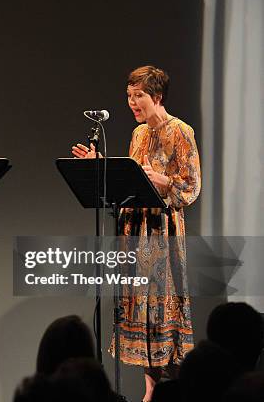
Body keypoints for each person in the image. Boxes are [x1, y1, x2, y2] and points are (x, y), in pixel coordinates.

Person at [72, 65, 201, 402]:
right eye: (129, 96)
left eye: (138, 96)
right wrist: (101, 165)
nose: (131, 103)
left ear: (156, 97)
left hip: (162, 236)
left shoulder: (180, 132)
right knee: (141, 313)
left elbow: (192, 187)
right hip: (136, 233)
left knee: (162, 310)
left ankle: (173, 391)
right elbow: (131, 180)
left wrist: (165, 181)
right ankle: (150, 391)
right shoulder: (139, 134)